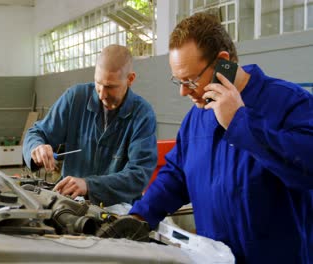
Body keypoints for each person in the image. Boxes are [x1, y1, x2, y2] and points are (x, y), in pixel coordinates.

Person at [129, 12, 313, 263]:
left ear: (222, 63)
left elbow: (307, 166)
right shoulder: (196, 118)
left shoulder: (289, 102)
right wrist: (139, 216)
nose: (184, 92)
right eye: (178, 81)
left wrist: (239, 122)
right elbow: (176, 175)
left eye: (191, 81)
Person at [23, 44, 157, 209]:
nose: (101, 94)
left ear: (130, 79)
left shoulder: (142, 114)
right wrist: (36, 147)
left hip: (119, 209)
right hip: (71, 204)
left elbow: (138, 175)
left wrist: (89, 186)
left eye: (110, 87)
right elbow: (37, 132)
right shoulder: (75, 99)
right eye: (98, 83)